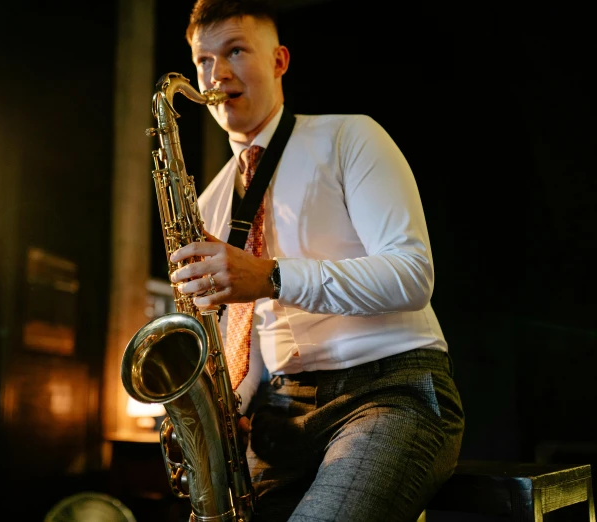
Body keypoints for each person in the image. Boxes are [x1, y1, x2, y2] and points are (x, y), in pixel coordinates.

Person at [167, 1, 465, 521]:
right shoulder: (210, 199)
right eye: (204, 60)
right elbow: (251, 332)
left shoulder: (351, 137)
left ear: (280, 60)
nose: (219, 73)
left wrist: (271, 275)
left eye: (236, 50)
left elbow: (412, 274)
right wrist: (218, 410)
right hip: (281, 411)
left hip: (390, 392)